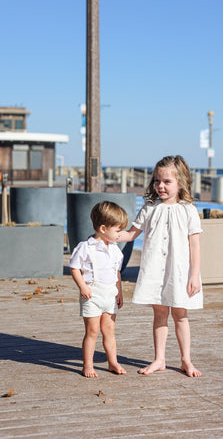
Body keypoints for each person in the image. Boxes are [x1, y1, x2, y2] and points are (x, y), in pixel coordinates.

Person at [118, 155, 203, 377]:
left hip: (180, 272)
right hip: (155, 269)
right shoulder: (149, 208)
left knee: (181, 315)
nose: (160, 186)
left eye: (167, 181)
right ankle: (159, 359)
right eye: (157, 181)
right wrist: (107, 235)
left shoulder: (188, 210)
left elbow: (195, 246)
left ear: (181, 182)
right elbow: (131, 234)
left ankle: (186, 360)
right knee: (159, 313)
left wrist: (195, 275)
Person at [69, 201, 129, 378]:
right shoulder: (85, 247)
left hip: (110, 294)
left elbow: (116, 272)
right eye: (118, 231)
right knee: (92, 331)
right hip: (92, 294)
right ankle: (88, 364)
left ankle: (113, 362)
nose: (120, 235)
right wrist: (82, 286)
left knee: (109, 330)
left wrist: (120, 292)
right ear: (103, 228)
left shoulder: (116, 251)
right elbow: (74, 267)